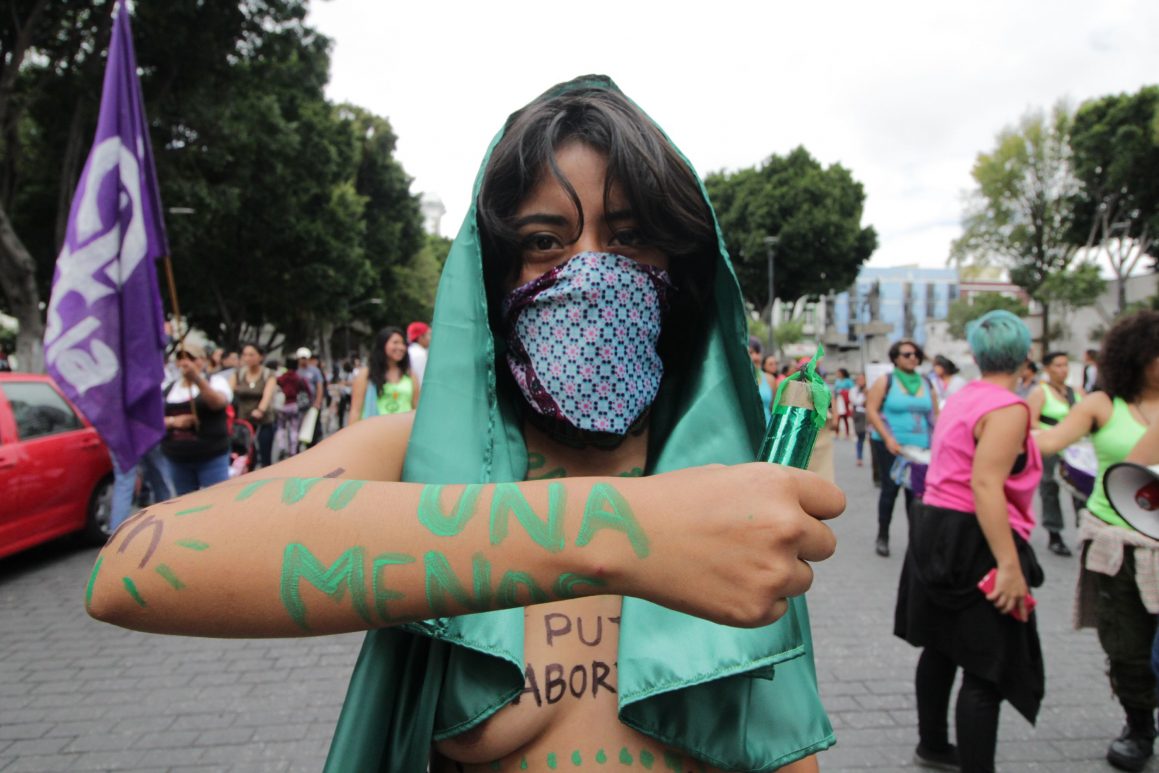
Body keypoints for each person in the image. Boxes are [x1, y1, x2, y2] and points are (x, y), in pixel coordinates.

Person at [86, 75, 843, 772]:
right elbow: (132, 569)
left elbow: (781, 734)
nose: (589, 273)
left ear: (681, 265)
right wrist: (622, 533)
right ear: (494, 275)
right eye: (544, 242)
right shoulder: (419, 458)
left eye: (628, 237)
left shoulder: (725, 478)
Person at [894, 310, 1044, 773]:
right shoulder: (1008, 408)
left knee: (940, 646)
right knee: (985, 668)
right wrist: (1009, 565)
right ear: (1025, 356)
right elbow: (985, 484)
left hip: (933, 526)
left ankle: (933, 745)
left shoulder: (963, 397)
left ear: (977, 356)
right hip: (973, 534)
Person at [1036, 310, 1159, 772]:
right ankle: (1139, 726)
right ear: (1138, 356)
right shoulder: (1102, 404)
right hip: (1117, 543)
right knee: (1125, 644)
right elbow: (1049, 442)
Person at [867, 339, 938, 557]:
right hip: (891, 445)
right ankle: (883, 536)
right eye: (907, 354)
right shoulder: (886, 381)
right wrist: (888, 439)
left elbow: (935, 415)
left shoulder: (926, 382)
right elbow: (872, 410)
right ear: (895, 358)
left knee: (916, 495)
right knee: (890, 490)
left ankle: (916, 541)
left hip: (920, 448)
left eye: (916, 354)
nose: (912, 357)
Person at [160, 342, 234, 495]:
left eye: (191, 358)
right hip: (177, 459)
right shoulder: (168, 388)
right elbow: (154, 421)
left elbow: (218, 404)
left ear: (203, 360)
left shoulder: (216, 381)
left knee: (217, 499)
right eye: (181, 358)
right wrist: (174, 422)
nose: (185, 363)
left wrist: (197, 380)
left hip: (211, 457)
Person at [1026, 351, 1080, 557]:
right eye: (1058, 365)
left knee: (1080, 491)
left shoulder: (1076, 392)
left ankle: (1083, 530)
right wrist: (1052, 433)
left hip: (1075, 448)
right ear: (1048, 368)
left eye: (1065, 365)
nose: (1063, 369)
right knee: (1050, 488)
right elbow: (1031, 420)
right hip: (1051, 446)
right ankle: (1054, 533)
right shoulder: (1040, 392)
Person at [349, 326, 422, 422]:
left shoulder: (410, 375)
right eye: (395, 342)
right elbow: (355, 411)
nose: (401, 347)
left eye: (403, 343)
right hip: (376, 429)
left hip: (405, 429)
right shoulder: (366, 374)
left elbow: (417, 409)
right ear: (382, 344)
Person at [229, 343, 279, 469]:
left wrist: (260, 410)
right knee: (246, 457)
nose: (247, 358)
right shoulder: (238, 374)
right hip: (243, 422)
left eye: (251, 355)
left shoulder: (268, 374)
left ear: (260, 357)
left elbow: (267, 395)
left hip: (263, 420)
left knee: (265, 454)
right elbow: (228, 392)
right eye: (245, 355)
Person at [275, 356, 311, 459]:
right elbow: (308, 391)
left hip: (282, 406)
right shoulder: (299, 378)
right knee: (294, 428)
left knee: (281, 427)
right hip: (294, 405)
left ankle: (281, 447)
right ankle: (293, 450)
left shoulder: (281, 378)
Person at [750, 336, 773, 424]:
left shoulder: (770, 379)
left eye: (758, 352)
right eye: (751, 352)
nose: (755, 357)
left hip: (767, 428)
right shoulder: (737, 380)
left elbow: (774, 410)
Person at [849, 372, 869, 467]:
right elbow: (856, 401)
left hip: (868, 414)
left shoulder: (869, 389)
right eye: (859, 379)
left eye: (863, 379)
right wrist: (865, 397)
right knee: (860, 435)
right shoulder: (854, 390)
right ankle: (859, 457)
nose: (861, 381)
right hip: (858, 414)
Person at [833, 368, 854, 438]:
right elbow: (835, 389)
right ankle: (837, 432)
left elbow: (852, 389)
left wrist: (844, 392)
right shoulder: (837, 381)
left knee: (845, 416)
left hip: (845, 400)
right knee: (838, 416)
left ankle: (847, 433)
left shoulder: (848, 381)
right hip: (839, 400)